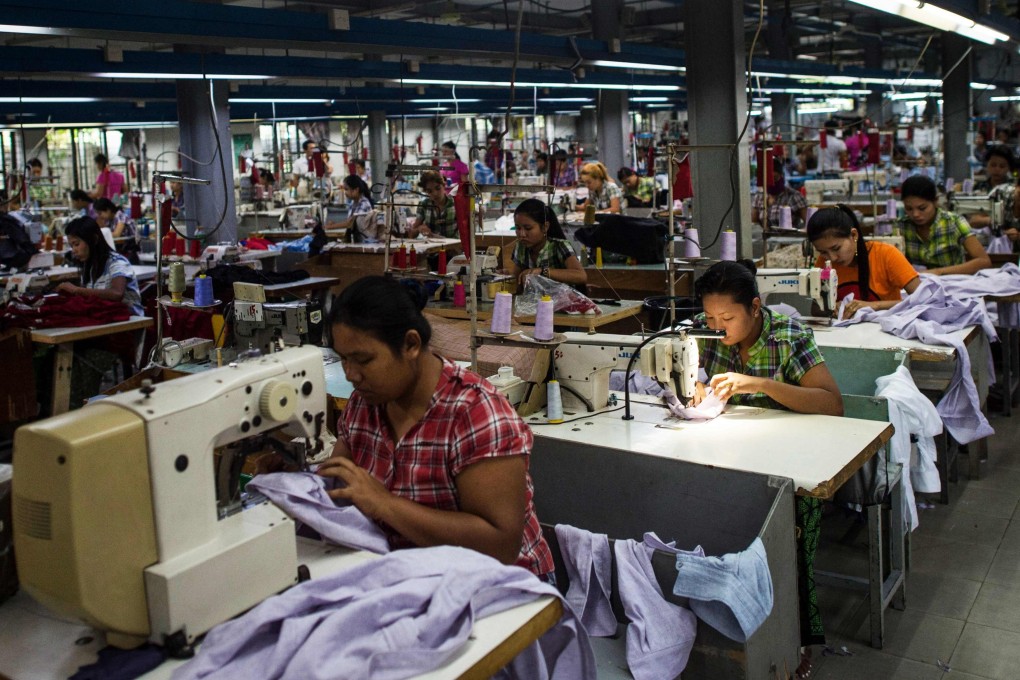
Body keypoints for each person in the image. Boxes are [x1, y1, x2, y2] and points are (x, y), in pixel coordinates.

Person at [316, 276, 554, 578]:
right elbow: (340, 486)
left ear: (411, 345)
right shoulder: (365, 404)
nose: (351, 375)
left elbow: (500, 546)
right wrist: (296, 484)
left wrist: (385, 504)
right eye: (343, 360)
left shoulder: (476, 413)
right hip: (409, 574)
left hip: (501, 587)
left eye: (363, 360)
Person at [691, 260, 842, 677]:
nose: (717, 327)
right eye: (709, 317)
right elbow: (692, 379)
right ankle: (721, 628)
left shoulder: (790, 336)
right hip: (732, 455)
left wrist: (758, 384)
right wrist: (695, 390)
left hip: (793, 467)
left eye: (727, 318)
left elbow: (832, 403)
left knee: (787, 544)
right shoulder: (706, 334)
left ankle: (795, 638)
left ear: (755, 308)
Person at [808, 206, 920, 318]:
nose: (832, 258)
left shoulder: (886, 255)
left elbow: (923, 300)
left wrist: (875, 306)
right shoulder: (824, 262)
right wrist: (831, 308)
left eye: (836, 248)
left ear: (854, 235)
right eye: (823, 252)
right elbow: (815, 309)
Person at [898, 175, 991, 275]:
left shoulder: (954, 222)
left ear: (935, 201)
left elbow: (984, 261)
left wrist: (938, 272)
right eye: (909, 209)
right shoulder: (902, 226)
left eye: (922, 208)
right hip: (916, 286)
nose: (915, 214)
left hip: (951, 284)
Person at [57, 217, 143, 316]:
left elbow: (117, 294)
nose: (74, 250)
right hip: (106, 318)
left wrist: (77, 290)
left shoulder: (117, 262)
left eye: (76, 244)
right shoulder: (90, 266)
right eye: (71, 246)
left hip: (130, 322)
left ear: (94, 239)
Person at [509, 198, 587, 291]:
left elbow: (581, 276)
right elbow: (516, 282)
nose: (522, 234)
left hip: (564, 302)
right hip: (535, 302)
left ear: (545, 227)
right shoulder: (521, 247)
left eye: (528, 228)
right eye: (518, 228)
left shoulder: (559, 246)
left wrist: (543, 271)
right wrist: (505, 277)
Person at [967, 146, 1020, 236]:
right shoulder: (979, 188)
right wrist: (990, 220)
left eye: (1002, 166)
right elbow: (973, 219)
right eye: (993, 165)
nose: (997, 169)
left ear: (1008, 168)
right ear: (987, 165)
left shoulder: (1014, 190)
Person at [753, 158, 808, 230]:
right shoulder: (759, 197)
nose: (772, 183)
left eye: (775, 178)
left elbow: (809, 223)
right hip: (765, 238)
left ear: (782, 176)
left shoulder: (794, 196)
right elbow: (753, 222)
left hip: (789, 239)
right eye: (768, 180)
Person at [409, 170, 457, 238]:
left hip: (454, 247)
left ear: (444, 185)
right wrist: (419, 229)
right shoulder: (424, 205)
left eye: (438, 188)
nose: (435, 193)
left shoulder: (455, 204)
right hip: (433, 247)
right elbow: (411, 235)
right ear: (425, 191)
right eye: (429, 191)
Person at [93, 197, 139, 263]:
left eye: (100, 213)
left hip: (130, 251)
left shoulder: (121, 216)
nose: (99, 216)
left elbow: (116, 234)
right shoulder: (109, 221)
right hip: (120, 250)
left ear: (108, 210)